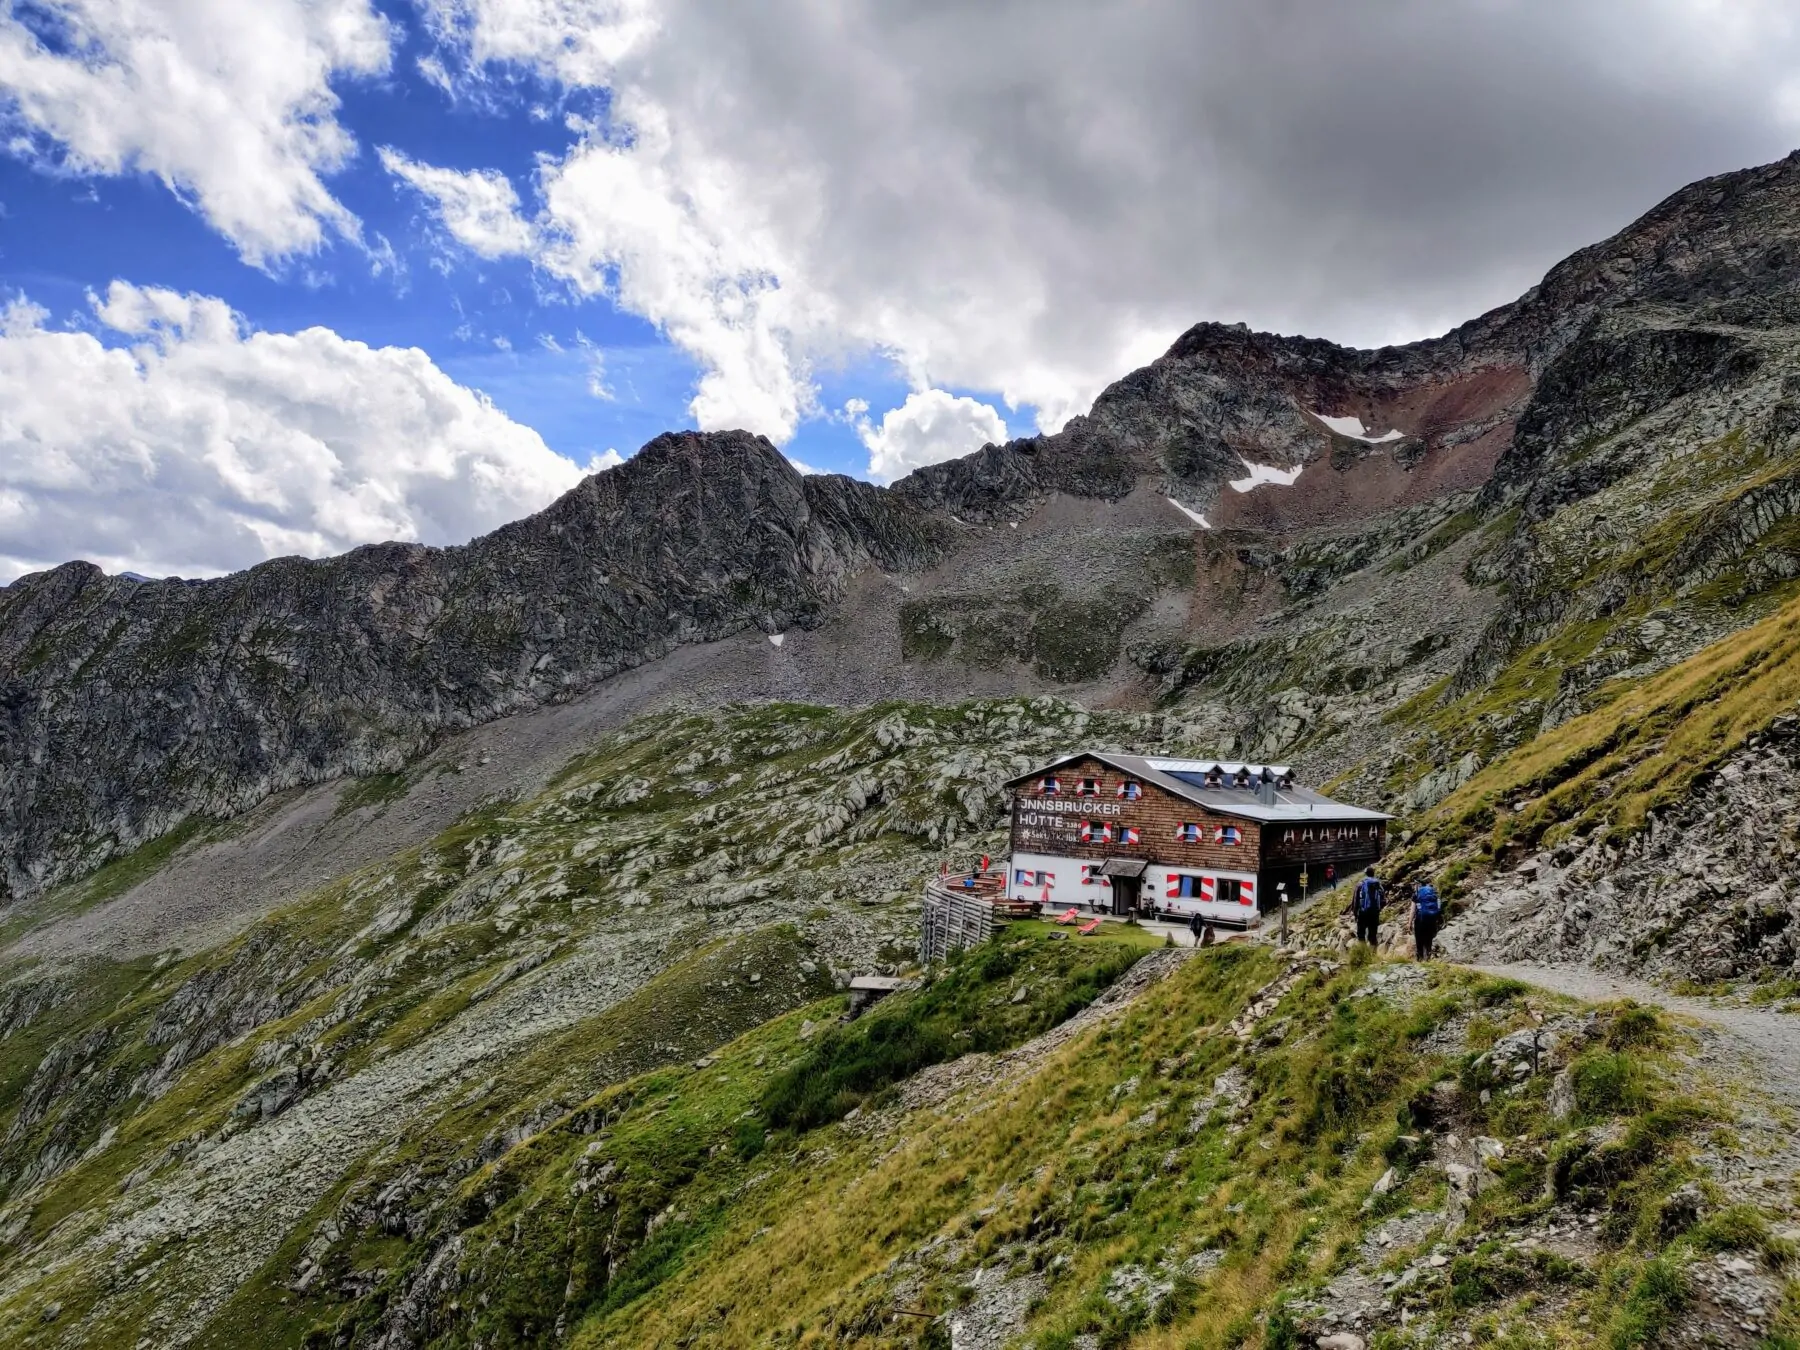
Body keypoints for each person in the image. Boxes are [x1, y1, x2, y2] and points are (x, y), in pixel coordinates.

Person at [1350, 866, 1384, 946]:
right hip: (1374, 912)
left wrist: (1355, 913)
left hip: (1363, 912)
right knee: (1373, 934)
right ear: (1373, 873)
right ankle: (1373, 953)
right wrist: (1378, 910)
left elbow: (1355, 900)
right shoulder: (1378, 884)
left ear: (1366, 874)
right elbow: (1383, 899)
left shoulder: (1360, 884)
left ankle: (1362, 952)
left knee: (1361, 933)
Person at [1413, 878, 1442, 960]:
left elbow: (1412, 910)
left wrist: (1409, 922)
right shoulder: (1434, 892)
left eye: (1415, 885)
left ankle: (1420, 958)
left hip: (1420, 919)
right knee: (1429, 938)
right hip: (1432, 918)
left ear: (1418, 885)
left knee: (1419, 939)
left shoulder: (1417, 893)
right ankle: (1429, 957)